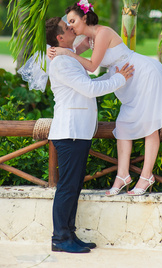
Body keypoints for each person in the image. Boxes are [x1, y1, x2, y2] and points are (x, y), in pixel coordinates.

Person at [48, 0, 162, 197]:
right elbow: (71, 53)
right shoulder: (88, 39)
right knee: (124, 124)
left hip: (141, 73)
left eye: (73, 21)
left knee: (149, 124)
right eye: (68, 24)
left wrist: (66, 51)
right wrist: (53, 51)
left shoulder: (103, 33)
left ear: (85, 18)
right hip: (125, 78)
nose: (71, 26)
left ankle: (146, 176)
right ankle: (123, 175)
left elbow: (91, 66)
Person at [45, 16, 134, 254]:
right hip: (70, 133)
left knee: (73, 187)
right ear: (59, 38)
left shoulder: (66, 57)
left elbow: (89, 82)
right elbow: (90, 89)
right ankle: (60, 238)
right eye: (67, 28)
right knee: (67, 187)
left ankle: (69, 234)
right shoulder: (61, 62)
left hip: (79, 133)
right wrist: (119, 79)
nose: (72, 28)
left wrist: (115, 75)